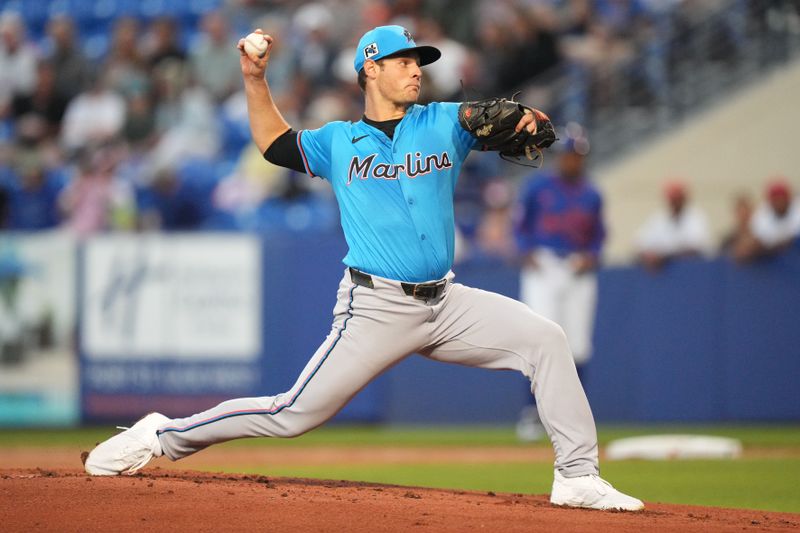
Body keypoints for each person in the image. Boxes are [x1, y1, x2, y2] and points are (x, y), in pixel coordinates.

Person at [84, 25, 643, 512]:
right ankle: (160, 436)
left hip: (448, 303)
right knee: (292, 414)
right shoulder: (338, 142)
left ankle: (577, 477)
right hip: (374, 306)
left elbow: (479, 115)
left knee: (546, 340)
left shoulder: (441, 122)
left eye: (418, 62)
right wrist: (255, 80)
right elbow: (275, 144)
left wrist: (520, 118)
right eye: (403, 61)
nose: (415, 71)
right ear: (370, 68)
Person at [513, 135, 604, 441]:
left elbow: (599, 237)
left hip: (577, 269)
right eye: (570, 155)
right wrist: (527, 252)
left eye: (579, 155)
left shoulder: (592, 193)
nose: (574, 160)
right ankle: (531, 413)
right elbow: (520, 227)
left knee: (577, 344)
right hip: (544, 265)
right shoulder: (538, 187)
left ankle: (575, 419)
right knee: (538, 338)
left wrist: (591, 256)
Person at [635, 179, 711, 270]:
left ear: (684, 198)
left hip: (692, 271)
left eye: (676, 198)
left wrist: (664, 257)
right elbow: (640, 243)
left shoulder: (696, 217)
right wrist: (649, 255)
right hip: (665, 275)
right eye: (671, 199)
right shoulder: (659, 219)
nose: (673, 202)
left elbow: (695, 247)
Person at [749, 178, 800, 257]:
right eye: (775, 199)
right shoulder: (761, 215)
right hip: (772, 260)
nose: (779, 202)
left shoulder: (797, 210)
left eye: (782, 198)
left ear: (788, 199)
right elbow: (761, 240)